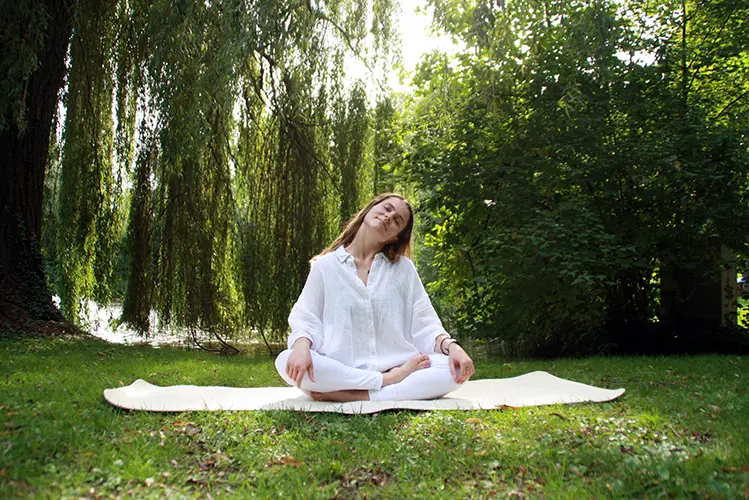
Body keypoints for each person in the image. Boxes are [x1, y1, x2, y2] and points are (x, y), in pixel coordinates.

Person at [274, 193, 475, 402]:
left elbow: (426, 324)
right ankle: (385, 383)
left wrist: (453, 347)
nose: (389, 217)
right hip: (345, 368)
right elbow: (307, 317)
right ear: (371, 207)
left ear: (395, 236)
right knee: (286, 360)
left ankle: (358, 395)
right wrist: (301, 347)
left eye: (397, 220)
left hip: (397, 364)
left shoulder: (404, 269)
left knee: (450, 370)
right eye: (387, 208)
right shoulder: (325, 266)